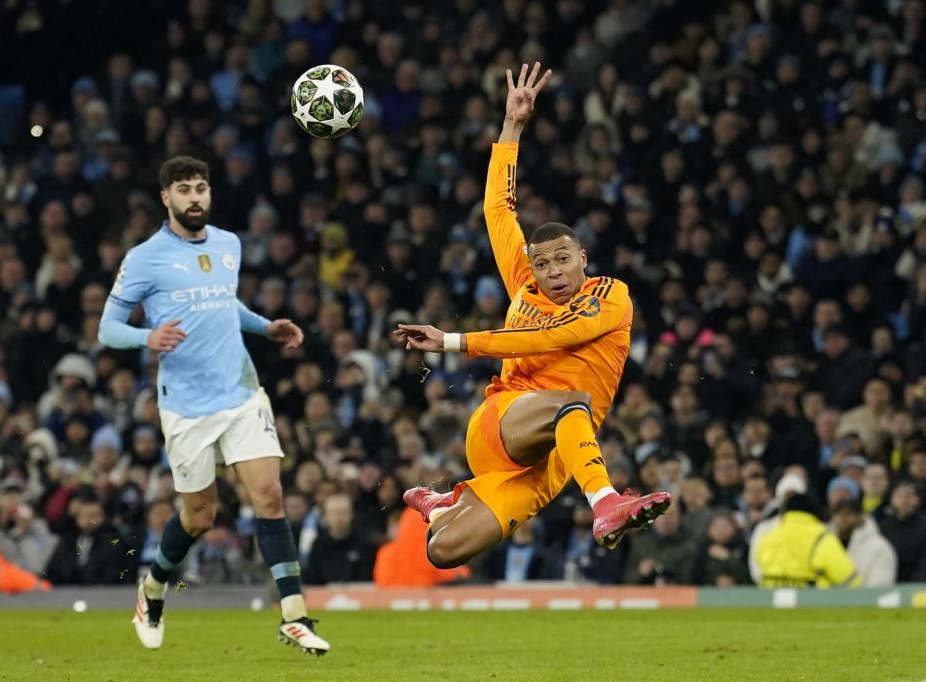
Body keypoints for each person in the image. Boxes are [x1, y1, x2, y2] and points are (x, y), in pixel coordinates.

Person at [395, 63, 670, 569]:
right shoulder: (525, 282)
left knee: (443, 552)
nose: (551, 271)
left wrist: (457, 342)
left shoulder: (611, 297)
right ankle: (606, 503)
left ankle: (440, 506)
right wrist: (512, 127)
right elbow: (498, 212)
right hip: (503, 421)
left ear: (583, 258)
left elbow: (552, 338)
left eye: (562, 259)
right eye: (541, 263)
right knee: (571, 401)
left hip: (552, 461)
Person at [98, 156, 328, 654]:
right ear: (166, 198)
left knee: (269, 495)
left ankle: (293, 615)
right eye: (183, 189)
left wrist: (264, 326)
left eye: (200, 187)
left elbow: (223, 303)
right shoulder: (144, 257)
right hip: (185, 405)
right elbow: (106, 329)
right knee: (200, 515)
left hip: (241, 392)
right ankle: (154, 587)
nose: (194, 197)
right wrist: (147, 336)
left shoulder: (229, 244)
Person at [753, 493, 860, 588]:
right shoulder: (822, 538)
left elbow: (758, 568)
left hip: (770, 605)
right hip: (811, 606)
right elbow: (850, 580)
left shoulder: (768, 536)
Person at [828, 499, 897, 587]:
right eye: (838, 514)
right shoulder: (824, 545)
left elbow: (880, 586)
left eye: (849, 514)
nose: (843, 518)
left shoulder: (880, 547)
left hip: (865, 600)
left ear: (860, 516)